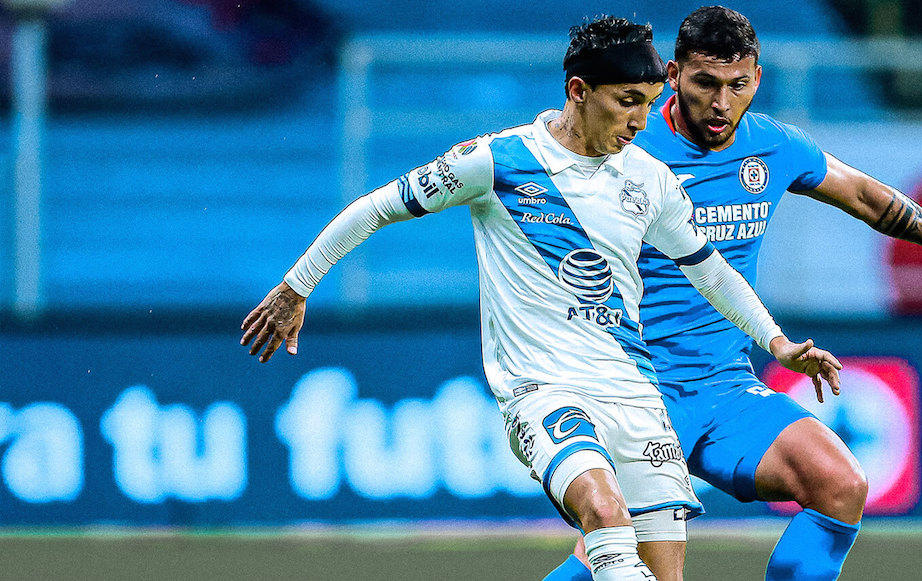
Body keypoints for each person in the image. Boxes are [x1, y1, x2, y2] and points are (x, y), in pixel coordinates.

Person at [240, 15, 842, 581]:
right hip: (546, 390)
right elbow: (376, 208)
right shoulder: (498, 162)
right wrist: (296, 287)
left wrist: (777, 343)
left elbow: (711, 273)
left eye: (648, 102)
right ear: (579, 90)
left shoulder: (648, 178)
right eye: (626, 102)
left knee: (663, 571)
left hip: (636, 394)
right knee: (604, 515)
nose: (641, 121)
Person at [542, 6, 922, 581]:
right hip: (635, 394)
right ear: (672, 76)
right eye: (705, 83)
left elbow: (866, 197)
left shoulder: (772, 146)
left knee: (840, 484)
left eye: (737, 85)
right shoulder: (626, 149)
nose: (721, 103)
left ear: (757, 78)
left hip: (724, 390)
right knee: (619, 562)